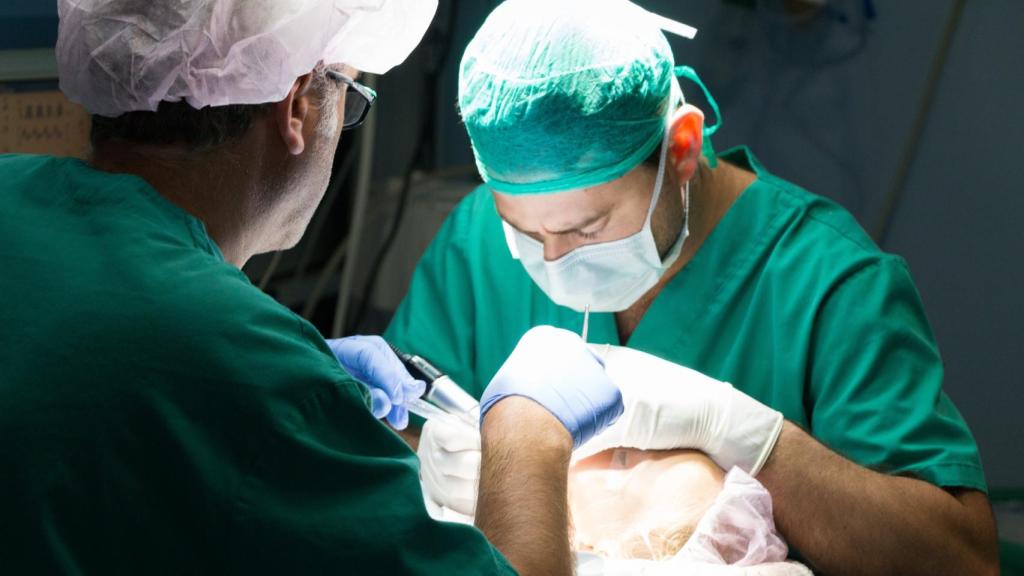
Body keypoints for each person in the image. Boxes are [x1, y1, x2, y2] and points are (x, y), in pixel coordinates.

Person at [0, 1, 624, 574]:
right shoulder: (248, 375)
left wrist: (287, 378)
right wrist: (528, 433)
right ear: (297, 105)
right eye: (350, 96)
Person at [385, 0, 1000, 573]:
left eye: (586, 228)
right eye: (521, 229)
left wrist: (747, 436)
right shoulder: (475, 239)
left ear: (681, 149)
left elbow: (961, 561)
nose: (550, 257)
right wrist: (431, 444)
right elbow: (392, 450)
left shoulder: (830, 284)